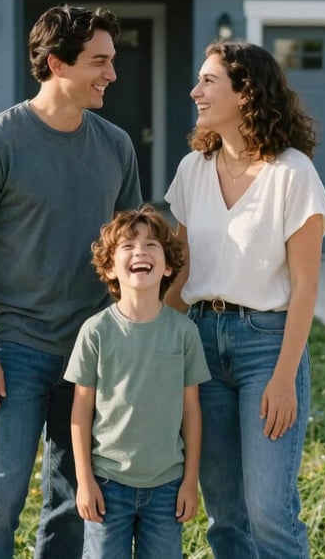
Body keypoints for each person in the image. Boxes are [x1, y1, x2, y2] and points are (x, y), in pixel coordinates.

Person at [0, 4, 142, 558]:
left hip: (93, 350)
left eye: (111, 60)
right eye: (99, 62)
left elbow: (128, 252)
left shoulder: (116, 146)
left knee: (73, 496)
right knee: (0, 492)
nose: (111, 73)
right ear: (57, 63)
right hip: (16, 346)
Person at [164, 40, 325, 559]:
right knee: (225, 513)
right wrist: (139, 329)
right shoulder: (194, 169)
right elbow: (184, 269)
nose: (195, 91)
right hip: (201, 343)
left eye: (209, 81)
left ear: (246, 93)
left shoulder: (292, 173)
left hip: (267, 346)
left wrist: (285, 378)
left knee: (269, 511)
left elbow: (306, 284)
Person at [65, 205, 210, 559]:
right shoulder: (95, 332)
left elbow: (191, 412)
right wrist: (85, 482)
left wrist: (190, 481)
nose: (140, 252)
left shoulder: (184, 333)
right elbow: (80, 412)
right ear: (111, 267)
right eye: (128, 246)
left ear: (169, 266)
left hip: (166, 487)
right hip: (107, 484)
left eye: (151, 246)